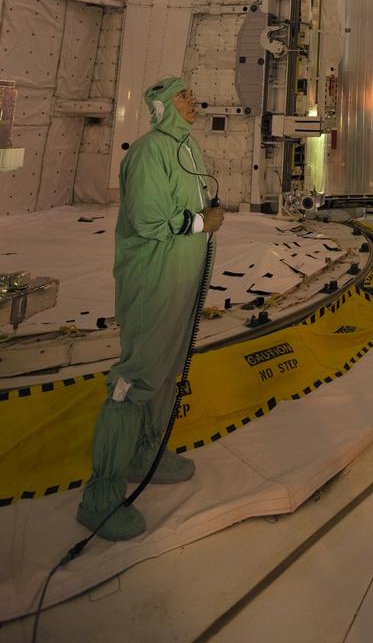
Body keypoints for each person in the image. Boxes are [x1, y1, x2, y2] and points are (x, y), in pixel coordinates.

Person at [76, 77, 224, 540]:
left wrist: (204, 219)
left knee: (165, 372)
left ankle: (144, 453)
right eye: (182, 95)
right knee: (136, 378)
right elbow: (147, 218)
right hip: (153, 281)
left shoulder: (188, 149)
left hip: (181, 279)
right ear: (162, 105)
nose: (192, 100)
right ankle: (100, 496)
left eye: (191, 94)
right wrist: (203, 221)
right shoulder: (148, 152)